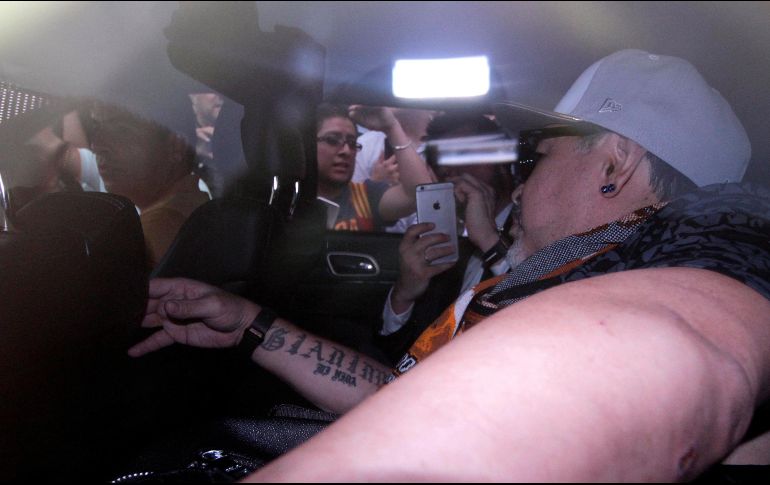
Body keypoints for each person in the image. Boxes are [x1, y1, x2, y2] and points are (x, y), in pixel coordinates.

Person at [128, 49, 770, 481]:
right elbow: (409, 395)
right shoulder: (572, 266)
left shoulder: (712, 237)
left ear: (615, 165)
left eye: (533, 160)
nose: (519, 186)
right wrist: (254, 326)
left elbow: (703, 330)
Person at [378, 112, 519, 361]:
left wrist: (490, 242)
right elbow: (396, 353)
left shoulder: (531, 227)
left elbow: (542, 306)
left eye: (463, 154)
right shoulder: (447, 245)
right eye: (439, 160)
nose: (448, 169)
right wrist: (404, 294)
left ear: (499, 158)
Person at [89, 101, 211, 268]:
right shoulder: (194, 209)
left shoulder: (153, 235)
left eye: (121, 130)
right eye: (96, 126)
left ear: (176, 145)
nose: (96, 146)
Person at [316, 103, 434, 231]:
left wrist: (391, 127)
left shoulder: (367, 196)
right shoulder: (292, 198)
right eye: (332, 140)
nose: (346, 151)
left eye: (352, 143)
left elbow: (420, 194)